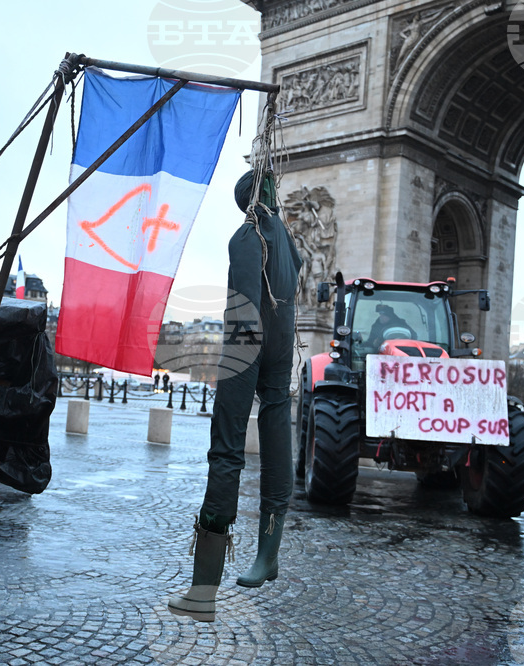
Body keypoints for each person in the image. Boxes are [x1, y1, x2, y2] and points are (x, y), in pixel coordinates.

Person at [168, 169, 302, 622]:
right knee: (277, 433)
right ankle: (269, 551)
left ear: (246, 201)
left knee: (226, 452)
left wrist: (235, 361)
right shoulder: (288, 242)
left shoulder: (247, 237)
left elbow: (243, 308)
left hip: (246, 346)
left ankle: (204, 587)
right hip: (283, 346)